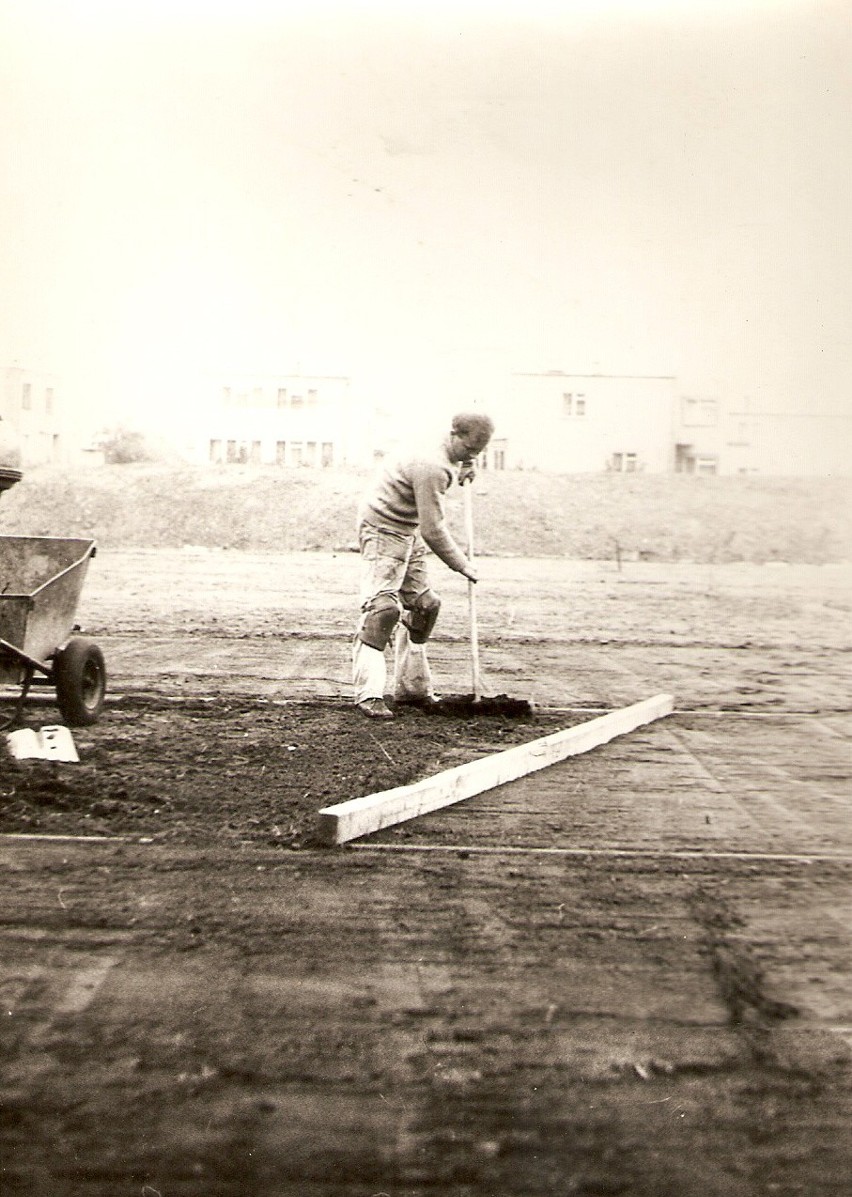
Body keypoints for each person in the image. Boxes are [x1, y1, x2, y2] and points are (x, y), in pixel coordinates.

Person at [352, 411, 495, 719]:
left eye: (477, 453)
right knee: (384, 609)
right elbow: (433, 530)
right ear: (454, 435)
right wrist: (462, 565)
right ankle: (369, 694)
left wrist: (468, 462)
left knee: (425, 605)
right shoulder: (432, 466)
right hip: (382, 525)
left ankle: (411, 690)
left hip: (407, 526)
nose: (470, 456)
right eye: (468, 450)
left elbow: (424, 528)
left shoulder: (447, 446)